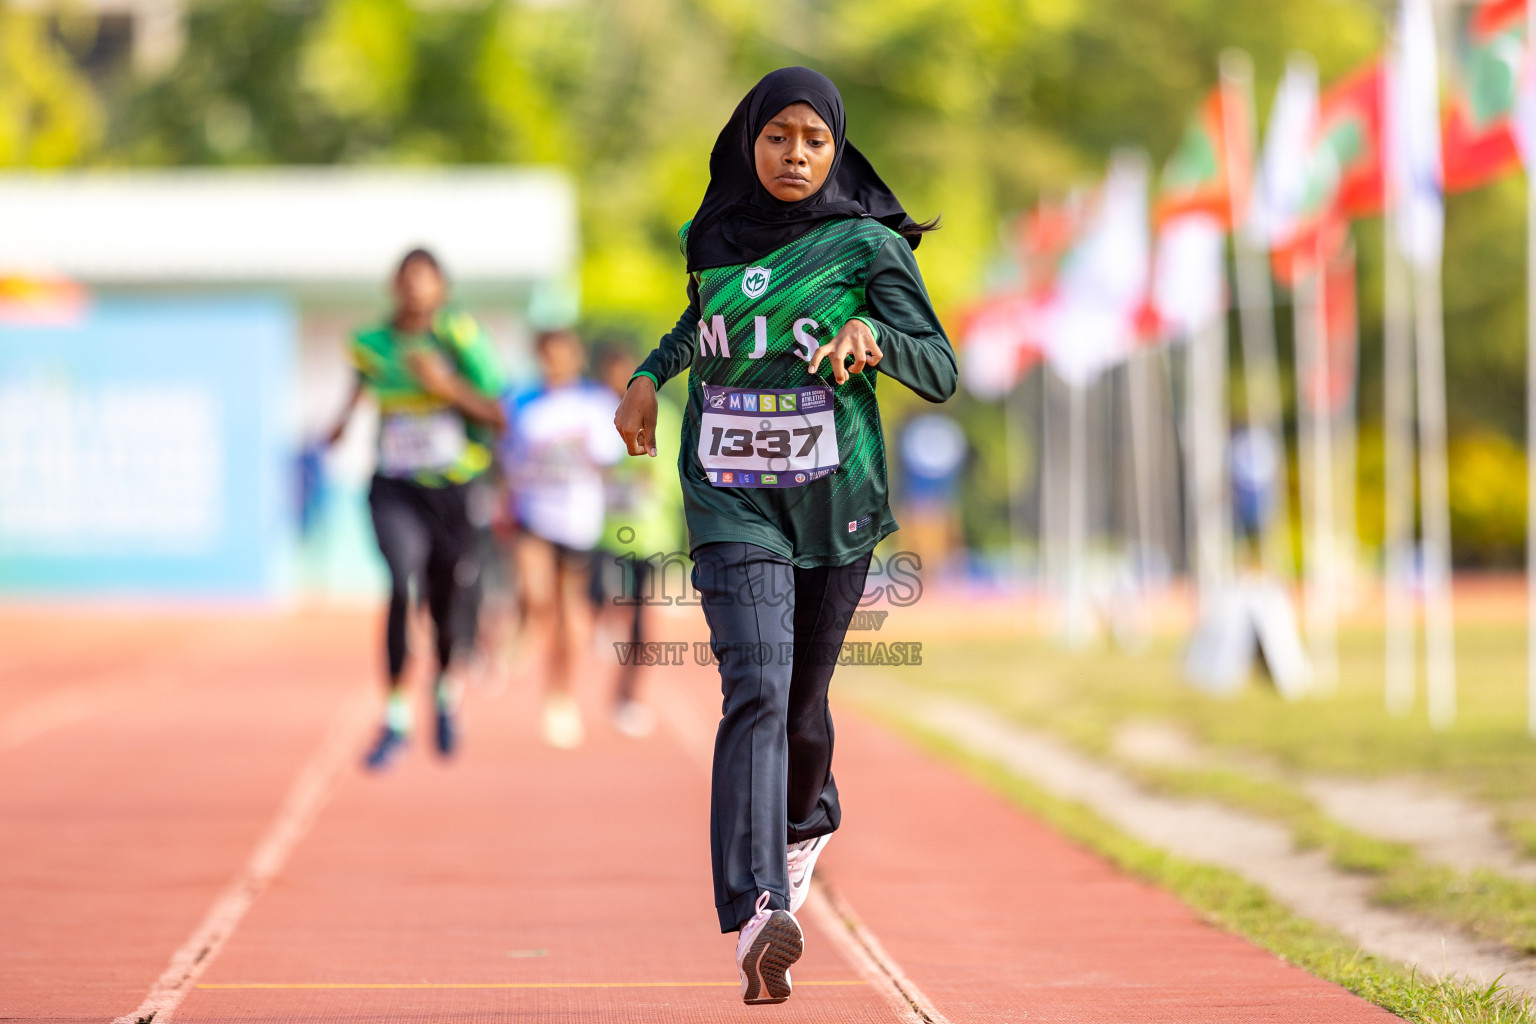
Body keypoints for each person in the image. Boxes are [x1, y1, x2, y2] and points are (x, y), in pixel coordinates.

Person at [613, 67, 955, 1005]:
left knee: (803, 707)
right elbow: (705, 323)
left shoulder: (866, 245)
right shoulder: (712, 232)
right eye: (777, 137)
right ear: (747, 140)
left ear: (836, 148)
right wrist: (650, 372)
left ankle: (808, 820)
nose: (795, 155)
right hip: (730, 498)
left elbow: (941, 367)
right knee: (754, 686)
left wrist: (877, 343)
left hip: (832, 500)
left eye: (813, 140)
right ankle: (760, 912)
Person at [327, 248, 507, 770]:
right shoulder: (369, 343)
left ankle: (446, 692)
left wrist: (444, 386)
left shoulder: (459, 338)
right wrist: (340, 422)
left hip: (452, 487)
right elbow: (361, 383)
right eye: (406, 280)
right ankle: (396, 716)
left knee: (447, 600)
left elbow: (498, 414)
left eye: (425, 281)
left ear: (441, 289)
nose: (414, 290)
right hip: (394, 486)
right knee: (400, 580)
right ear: (394, 285)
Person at [503, 329, 626, 749]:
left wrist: (585, 448)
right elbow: (509, 459)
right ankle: (525, 629)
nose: (554, 363)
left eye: (563, 355)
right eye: (547, 355)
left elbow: (611, 458)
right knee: (538, 595)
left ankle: (561, 696)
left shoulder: (595, 404)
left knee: (569, 611)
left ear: (575, 357)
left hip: (577, 521)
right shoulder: (522, 402)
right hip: (533, 514)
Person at [590, 342, 685, 738]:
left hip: (650, 538)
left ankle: (628, 696)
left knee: (643, 627)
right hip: (602, 536)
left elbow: (670, 472)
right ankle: (603, 622)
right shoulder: (593, 415)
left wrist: (640, 478)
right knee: (602, 597)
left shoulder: (668, 412)